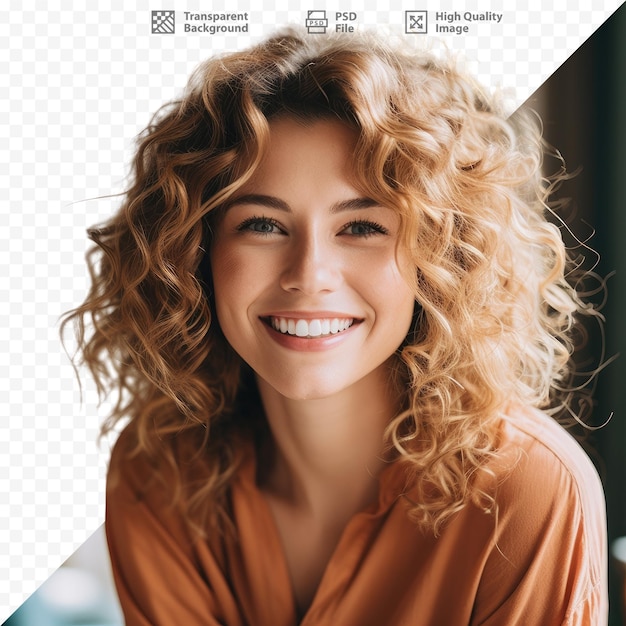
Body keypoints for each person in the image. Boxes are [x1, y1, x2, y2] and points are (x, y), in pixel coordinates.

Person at [63, 27, 608, 625]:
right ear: (195, 254)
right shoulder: (155, 474)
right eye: (262, 225)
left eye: (363, 227)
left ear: (440, 257)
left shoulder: (526, 491)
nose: (310, 275)